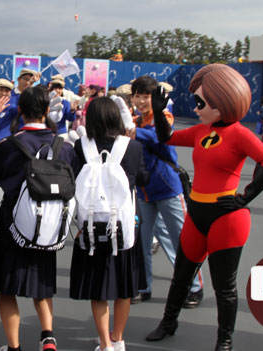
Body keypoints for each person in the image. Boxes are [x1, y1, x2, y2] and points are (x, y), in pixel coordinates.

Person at [145, 64, 263, 351]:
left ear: (222, 103)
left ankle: (224, 340)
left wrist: (244, 197)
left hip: (226, 218)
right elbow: (166, 137)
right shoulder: (201, 130)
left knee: (224, 287)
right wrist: (157, 112)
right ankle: (169, 322)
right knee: (181, 276)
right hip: (196, 212)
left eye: (200, 102)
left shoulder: (240, 134)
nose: (195, 108)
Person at [0, 86, 77, 351]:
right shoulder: (65, 147)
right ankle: (47, 336)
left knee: (8, 289)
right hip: (49, 226)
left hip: (13, 223)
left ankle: (13, 347)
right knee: (43, 285)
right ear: (47, 111)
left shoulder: (7, 146)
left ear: (19, 110)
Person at [70, 96, 149, 351]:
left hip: (91, 227)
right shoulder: (132, 147)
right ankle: (118, 338)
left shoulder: (81, 147)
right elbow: (143, 179)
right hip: (124, 227)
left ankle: (104, 343)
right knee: (124, 286)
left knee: (97, 288)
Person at [129, 75, 204, 308]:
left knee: (181, 240)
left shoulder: (164, 117)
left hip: (168, 189)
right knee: (141, 242)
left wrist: (130, 131)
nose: (141, 101)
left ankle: (194, 288)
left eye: (146, 97)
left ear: (156, 98)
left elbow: (159, 137)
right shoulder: (135, 121)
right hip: (144, 191)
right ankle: (143, 286)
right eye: (137, 96)